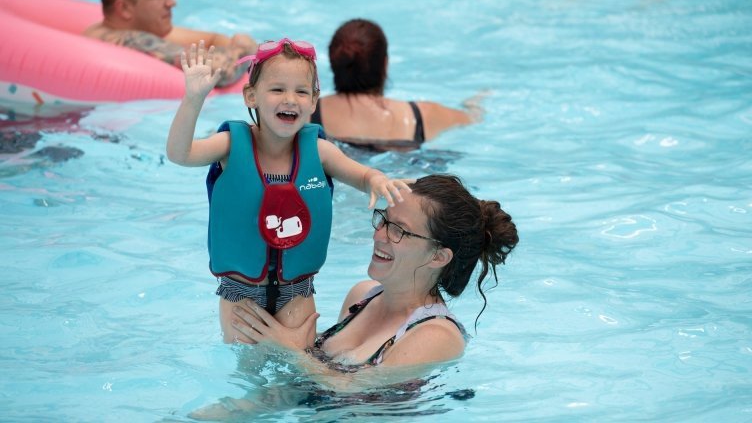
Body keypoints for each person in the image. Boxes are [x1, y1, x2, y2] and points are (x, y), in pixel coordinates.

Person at [166, 38, 411, 345]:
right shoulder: (231, 145)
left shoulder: (320, 152)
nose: (290, 99)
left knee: (297, 374)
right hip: (240, 293)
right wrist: (193, 99)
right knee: (249, 379)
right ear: (251, 96)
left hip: (297, 290)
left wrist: (376, 179)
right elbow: (180, 154)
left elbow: (361, 175)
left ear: (313, 101)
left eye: (301, 91)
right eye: (277, 89)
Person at [230, 174, 519, 387]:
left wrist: (292, 351)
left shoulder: (437, 336)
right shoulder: (362, 296)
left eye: (399, 230)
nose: (379, 235)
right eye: (383, 219)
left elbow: (359, 396)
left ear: (438, 257)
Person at [84, 0, 256, 87]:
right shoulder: (129, 42)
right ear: (124, 8)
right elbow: (222, 71)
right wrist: (244, 46)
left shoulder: (132, 29)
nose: (171, 2)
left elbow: (213, 39)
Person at [311, 19, 485, 152]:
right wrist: (474, 103)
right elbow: (474, 118)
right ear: (385, 63)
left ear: (333, 63)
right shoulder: (423, 116)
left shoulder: (307, 113)